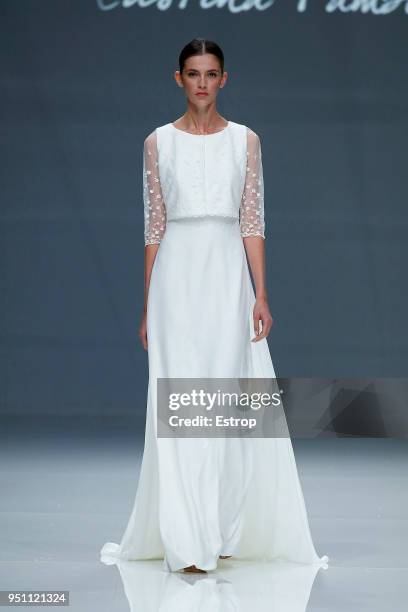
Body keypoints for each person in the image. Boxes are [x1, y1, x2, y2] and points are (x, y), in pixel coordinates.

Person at [100, 38, 329, 574]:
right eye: (193, 73)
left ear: (224, 79)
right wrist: (145, 304)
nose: (202, 82)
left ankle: (220, 527)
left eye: (211, 73)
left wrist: (262, 293)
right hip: (175, 280)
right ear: (177, 78)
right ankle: (188, 538)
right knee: (178, 404)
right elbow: (153, 227)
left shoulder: (246, 141)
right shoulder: (156, 142)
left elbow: (253, 222)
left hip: (228, 277)